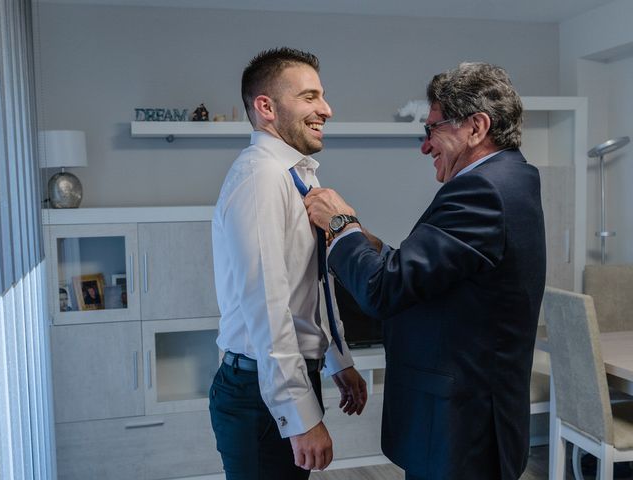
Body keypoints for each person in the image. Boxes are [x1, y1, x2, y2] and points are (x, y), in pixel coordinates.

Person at [304, 62, 546, 480]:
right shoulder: (513, 178)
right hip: (475, 420)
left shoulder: (482, 190)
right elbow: (435, 270)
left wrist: (341, 225)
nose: (425, 146)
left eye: (432, 130)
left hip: (462, 429)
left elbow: (383, 290)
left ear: (476, 126)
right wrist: (362, 238)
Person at [209, 47, 368, 480]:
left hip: (287, 374)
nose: (327, 109)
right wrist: (299, 415)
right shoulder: (260, 177)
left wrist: (338, 360)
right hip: (258, 391)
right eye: (310, 97)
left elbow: (313, 283)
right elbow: (266, 303)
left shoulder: (300, 176)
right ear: (266, 107)